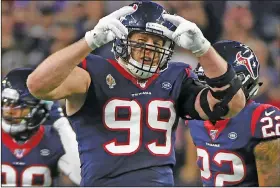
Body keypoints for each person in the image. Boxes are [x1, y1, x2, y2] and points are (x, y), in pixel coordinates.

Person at [26, 1, 246, 186]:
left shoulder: (176, 76)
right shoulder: (94, 72)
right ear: (123, 40)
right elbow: (37, 85)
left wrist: (204, 49)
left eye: (157, 42)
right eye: (141, 41)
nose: (149, 49)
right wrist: (89, 41)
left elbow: (233, 105)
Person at [187, 40, 280, 187]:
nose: (209, 90)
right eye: (205, 81)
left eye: (218, 83)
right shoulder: (195, 117)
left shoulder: (261, 118)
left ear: (244, 83)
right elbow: (190, 174)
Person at [1, 68, 81, 186]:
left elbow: (83, 176)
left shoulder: (53, 139)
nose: (9, 112)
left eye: (20, 107)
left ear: (38, 110)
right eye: (6, 104)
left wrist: (61, 123)